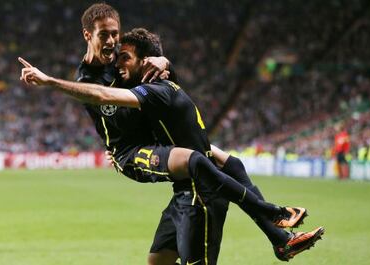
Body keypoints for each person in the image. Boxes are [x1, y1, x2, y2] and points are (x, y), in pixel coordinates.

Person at [19, 26, 324, 263]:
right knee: (158, 259)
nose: (117, 62)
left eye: (125, 57)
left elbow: (102, 95)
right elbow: (229, 162)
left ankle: (271, 214)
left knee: (194, 161)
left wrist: (49, 82)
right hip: (182, 193)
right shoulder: (161, 87)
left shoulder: (156, 92)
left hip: (199, 196)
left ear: (146, 61)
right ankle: (278, 235)